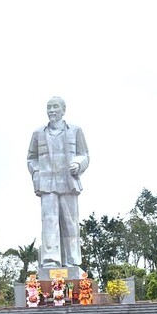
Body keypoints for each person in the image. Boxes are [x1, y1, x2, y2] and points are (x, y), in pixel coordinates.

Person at [26, 96, 90, 268]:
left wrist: (79, 163)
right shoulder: (38, 133)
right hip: (47, 183)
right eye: (49, 107)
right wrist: (37, 173)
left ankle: (73, 261)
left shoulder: (75, 130)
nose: (52, 110)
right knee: (49, 222)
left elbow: (84, 154)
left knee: (70, 222)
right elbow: (31, 158)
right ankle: (50, 260)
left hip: (68, 182)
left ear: (63, 110)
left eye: (55, 107)